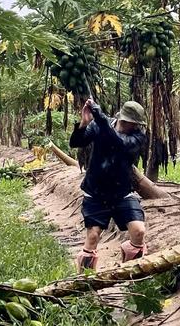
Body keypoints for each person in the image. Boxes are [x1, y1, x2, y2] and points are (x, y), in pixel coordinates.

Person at [69, 99, 148, 272]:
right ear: (124, 120)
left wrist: (102, 119)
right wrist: (84, 123)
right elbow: (76, 142)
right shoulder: (99, 126)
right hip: (96, 192)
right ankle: (85, 281)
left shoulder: (138, 137)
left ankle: (129, 273)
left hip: (122, 192)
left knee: (139, 231)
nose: (136, 127)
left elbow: (118, 144)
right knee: (93, 236)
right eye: (133, 124)